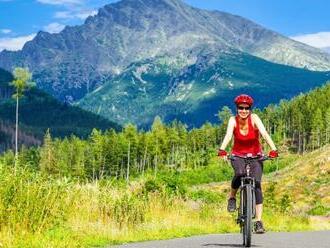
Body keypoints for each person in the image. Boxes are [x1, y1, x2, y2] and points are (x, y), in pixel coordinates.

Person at [218, 94, 278, 234]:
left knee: (256, 184)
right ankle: (232, 198)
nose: (244, 111)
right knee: (239, 173)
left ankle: (258, 221)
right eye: (241, 108)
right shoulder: (233, 120)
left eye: (246, 108)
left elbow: (264, 133)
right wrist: (222, 149)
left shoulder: (254, 118)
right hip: (238, 155)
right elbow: (228, 135)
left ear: (250, 109)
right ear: (237, 108)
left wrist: (274, 149)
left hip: (256, 155)